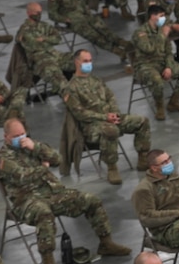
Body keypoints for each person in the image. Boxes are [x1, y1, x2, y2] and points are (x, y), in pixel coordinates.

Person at [0, 119, 127, 264]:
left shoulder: (30, 145)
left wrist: (35, 147)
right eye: (16, 136)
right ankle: (48, 261)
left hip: (53, 193)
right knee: (44, 213)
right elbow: (23, 178)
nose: (21, 138)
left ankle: (106, 242)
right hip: (26, 201)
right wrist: (43, 167)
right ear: (6, 137)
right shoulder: (3, 159)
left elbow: (57, 159)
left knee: (90, 200)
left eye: (22, 134)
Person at [63, 49, 152, 184]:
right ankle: (112, 167)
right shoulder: (71, 88)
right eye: (85, 61)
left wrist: (115, 114)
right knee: (110, 131)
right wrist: (105, 117)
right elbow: (80, 114)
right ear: (77, 63)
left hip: (110, 118)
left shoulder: (96, 80)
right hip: (91, 126)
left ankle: (143, 158)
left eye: (90, 61)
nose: (89, 64)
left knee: (142, 121)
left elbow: (110, 97)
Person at [48, 0, 132, 61]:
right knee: (95, 37)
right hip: (75, 21)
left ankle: (124, 44)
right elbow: (52, 14)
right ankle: (119, 52)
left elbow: (82, 4)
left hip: (87, 16)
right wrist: (65, 19)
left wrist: (88, 13)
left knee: (104, 30)